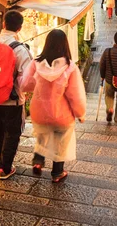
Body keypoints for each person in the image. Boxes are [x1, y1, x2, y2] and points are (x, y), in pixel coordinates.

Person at [21, 29, 86, 183]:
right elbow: (75, 95)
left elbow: (25, 84)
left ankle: (38, 160)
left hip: (40, 112)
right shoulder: (70, 68)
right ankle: (57, 173)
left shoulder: (36, 63)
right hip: (61, 114)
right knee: (61, 142)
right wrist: (80, 113)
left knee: (42, 135)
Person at [0, 10, 33, 180]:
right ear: (19, 28)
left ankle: (0, 157)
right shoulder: (20, 50)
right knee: (13, 132)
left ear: (3, 24)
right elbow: (27, 80)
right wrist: (27, 92)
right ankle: (5, 167)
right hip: (11, 100)